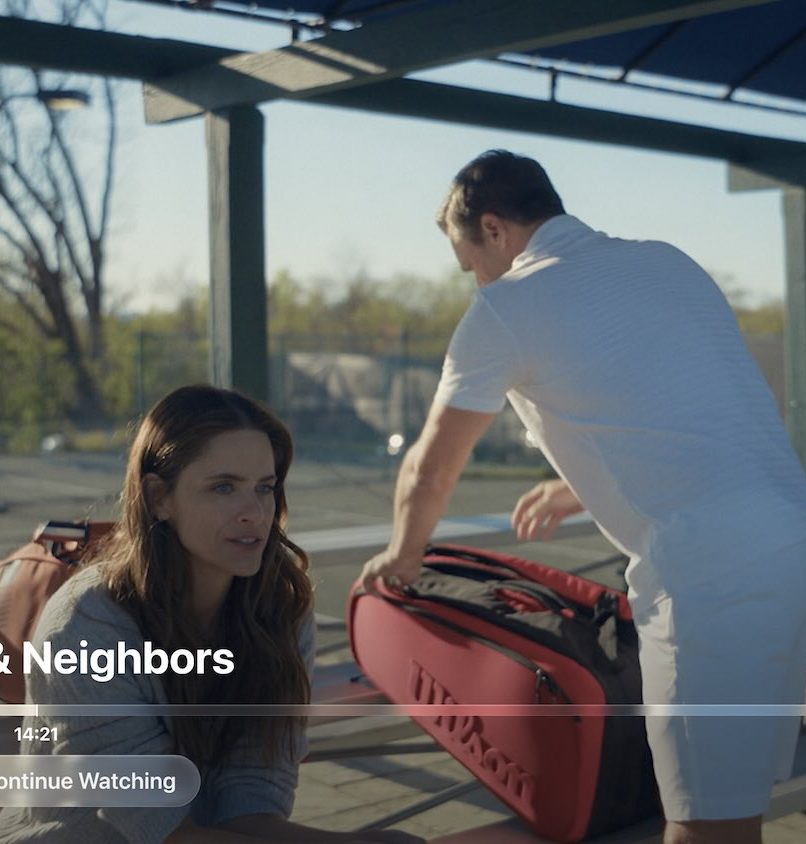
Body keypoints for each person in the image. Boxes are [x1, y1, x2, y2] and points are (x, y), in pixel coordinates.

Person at [360, 150, 806, 844]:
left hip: (711, 580)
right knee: (749, 799)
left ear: (494, 228)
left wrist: (401, 555)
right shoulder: (667, 262)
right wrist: (578, 485)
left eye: (469, 261)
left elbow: (431, 468)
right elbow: (691, 413)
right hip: (792, 541)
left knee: (706, 825)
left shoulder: (508, 304)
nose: (474, 279)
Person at [0, 385, 423, 844]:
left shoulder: (279, 608)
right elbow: (161, 829)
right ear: (158, 497)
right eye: (223, 487)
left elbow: (251, 797)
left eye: (264, 487)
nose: (254, 512)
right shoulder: (84, 628)